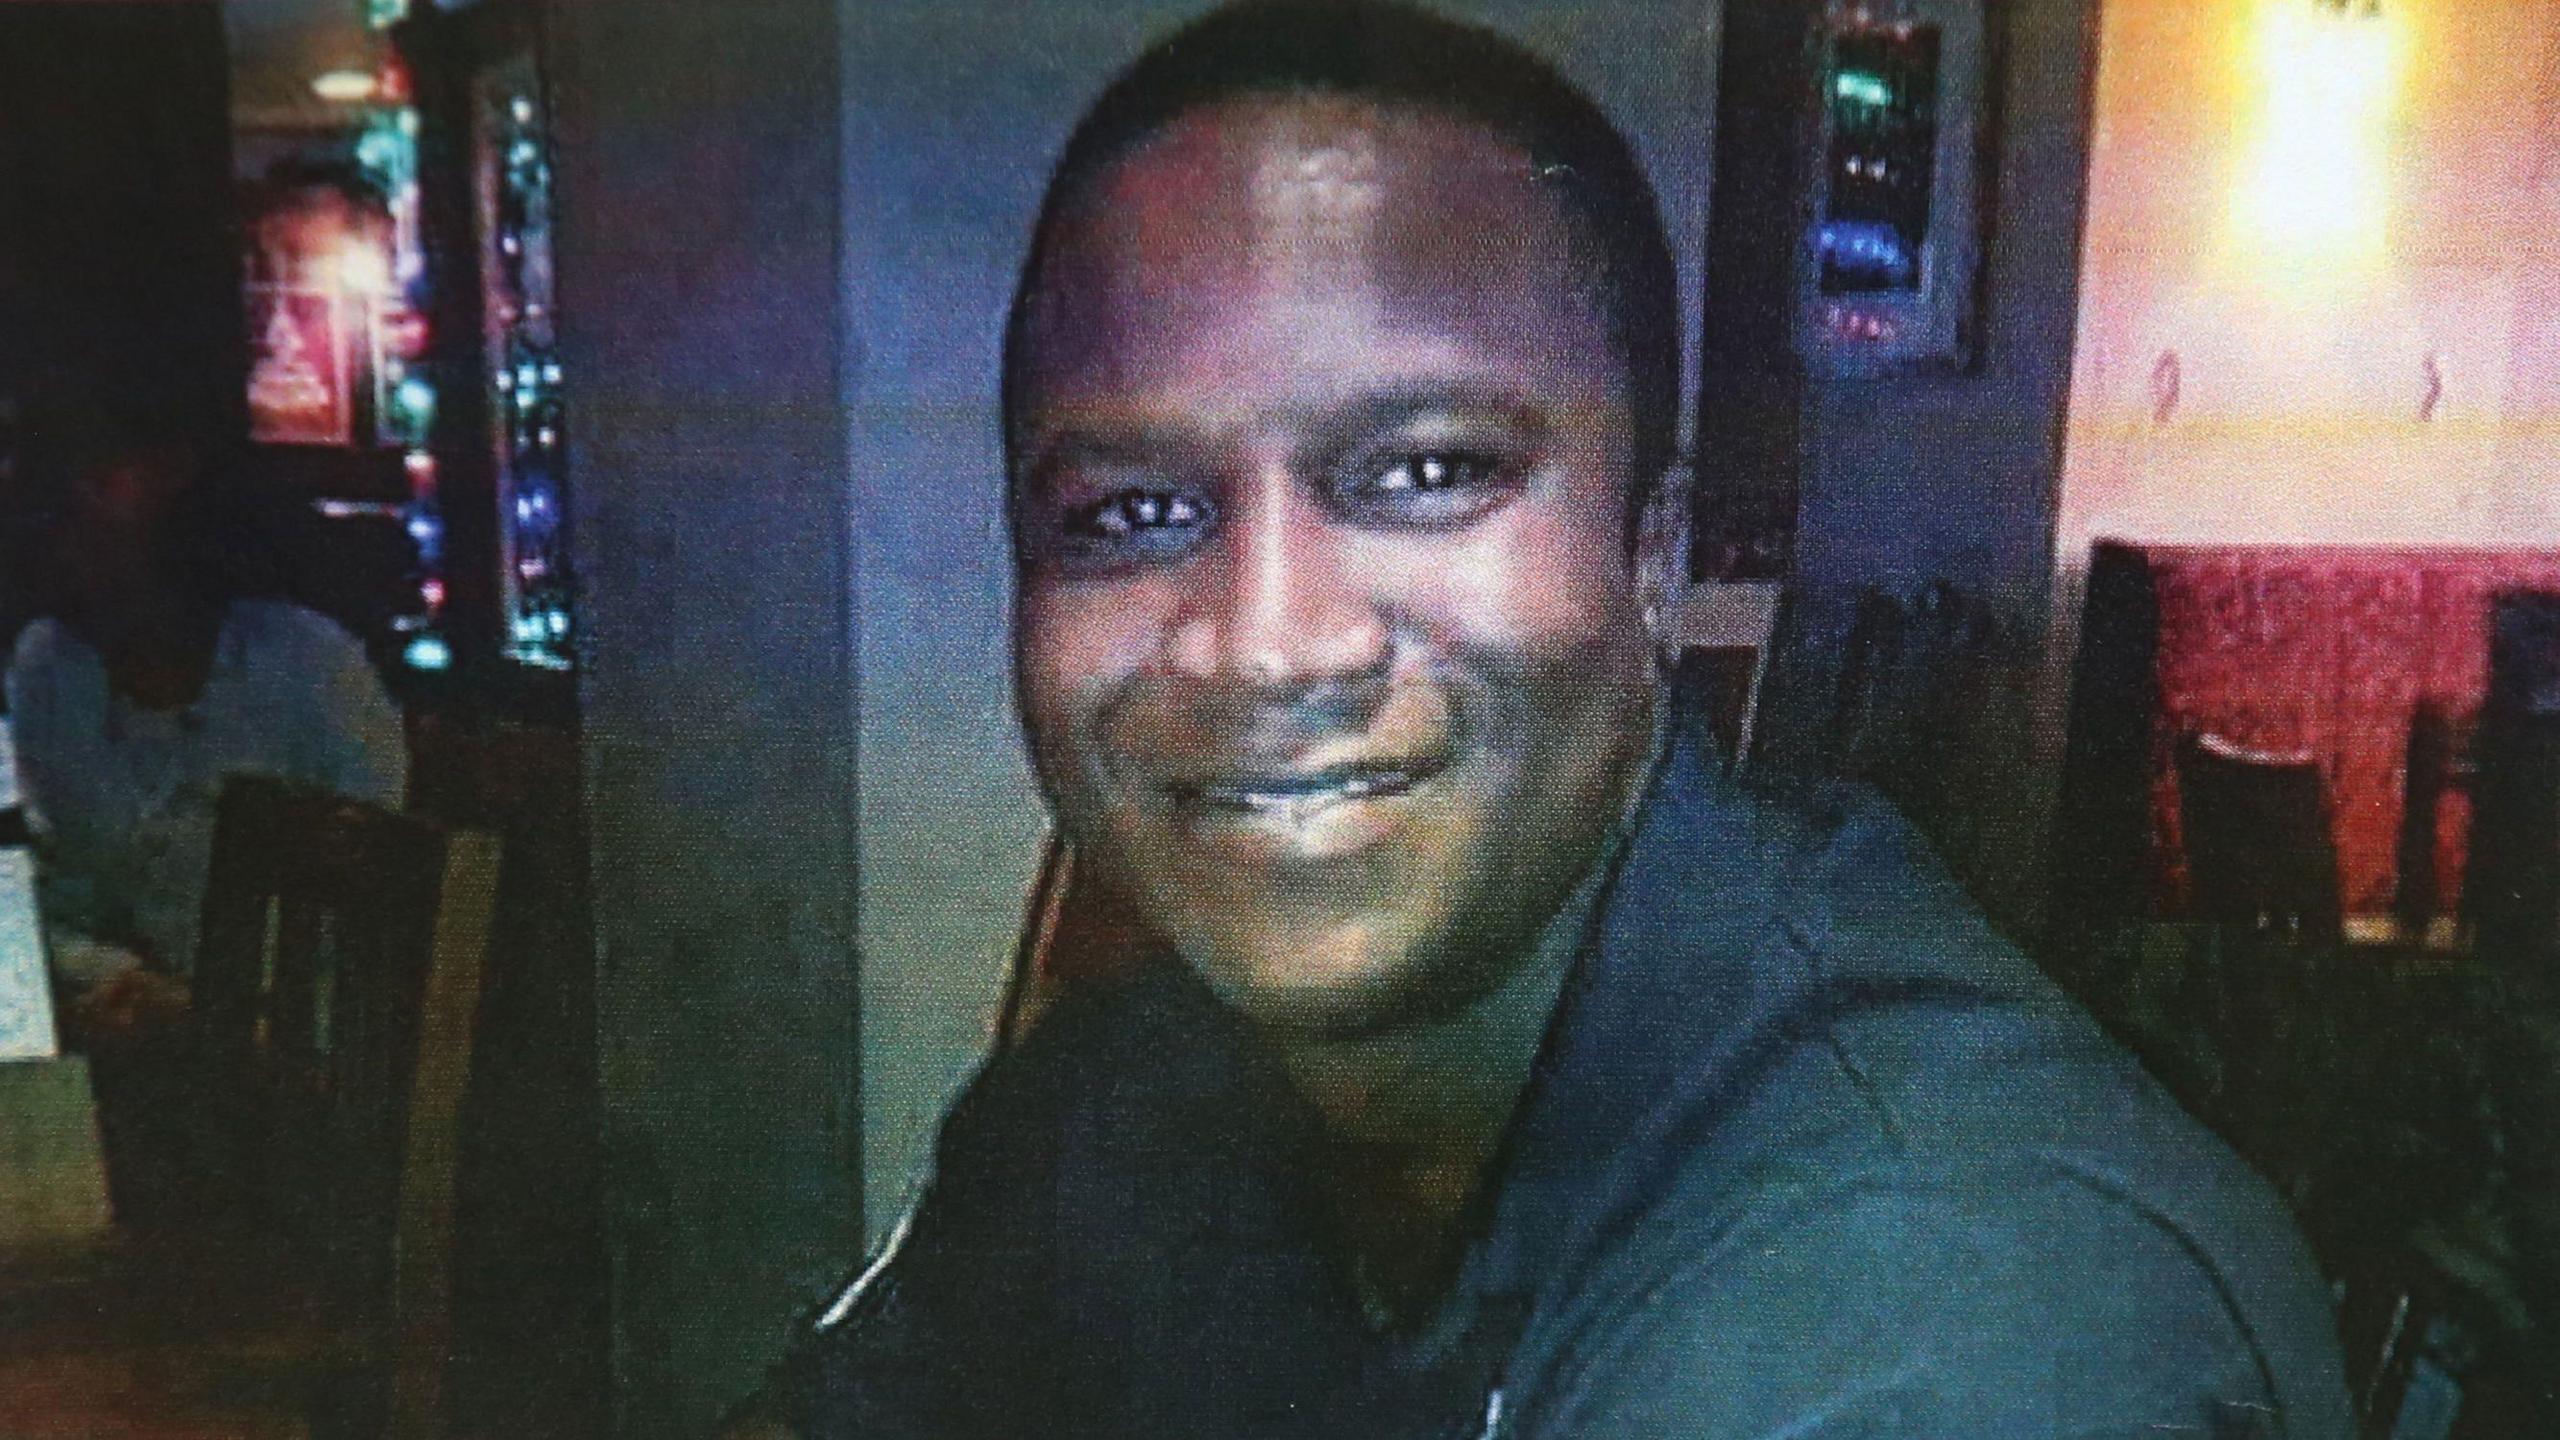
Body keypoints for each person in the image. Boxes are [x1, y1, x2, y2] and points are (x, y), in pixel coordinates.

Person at [740, 2, 2352, 1434]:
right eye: (1130, 513)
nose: (1265, 641)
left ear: (1653, 559)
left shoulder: (1938, 1324)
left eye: (1428, 472)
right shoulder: (1137, 1090)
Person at [2, 374, 405, 1219]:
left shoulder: (304, 665)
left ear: (174, 482)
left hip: (315, 1105)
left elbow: (374, 916)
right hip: (131, 1080)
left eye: (83, 480)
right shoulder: (52, 669)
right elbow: (48, 892)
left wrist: (209, 1013)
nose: (48, 518)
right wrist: (111, 980)